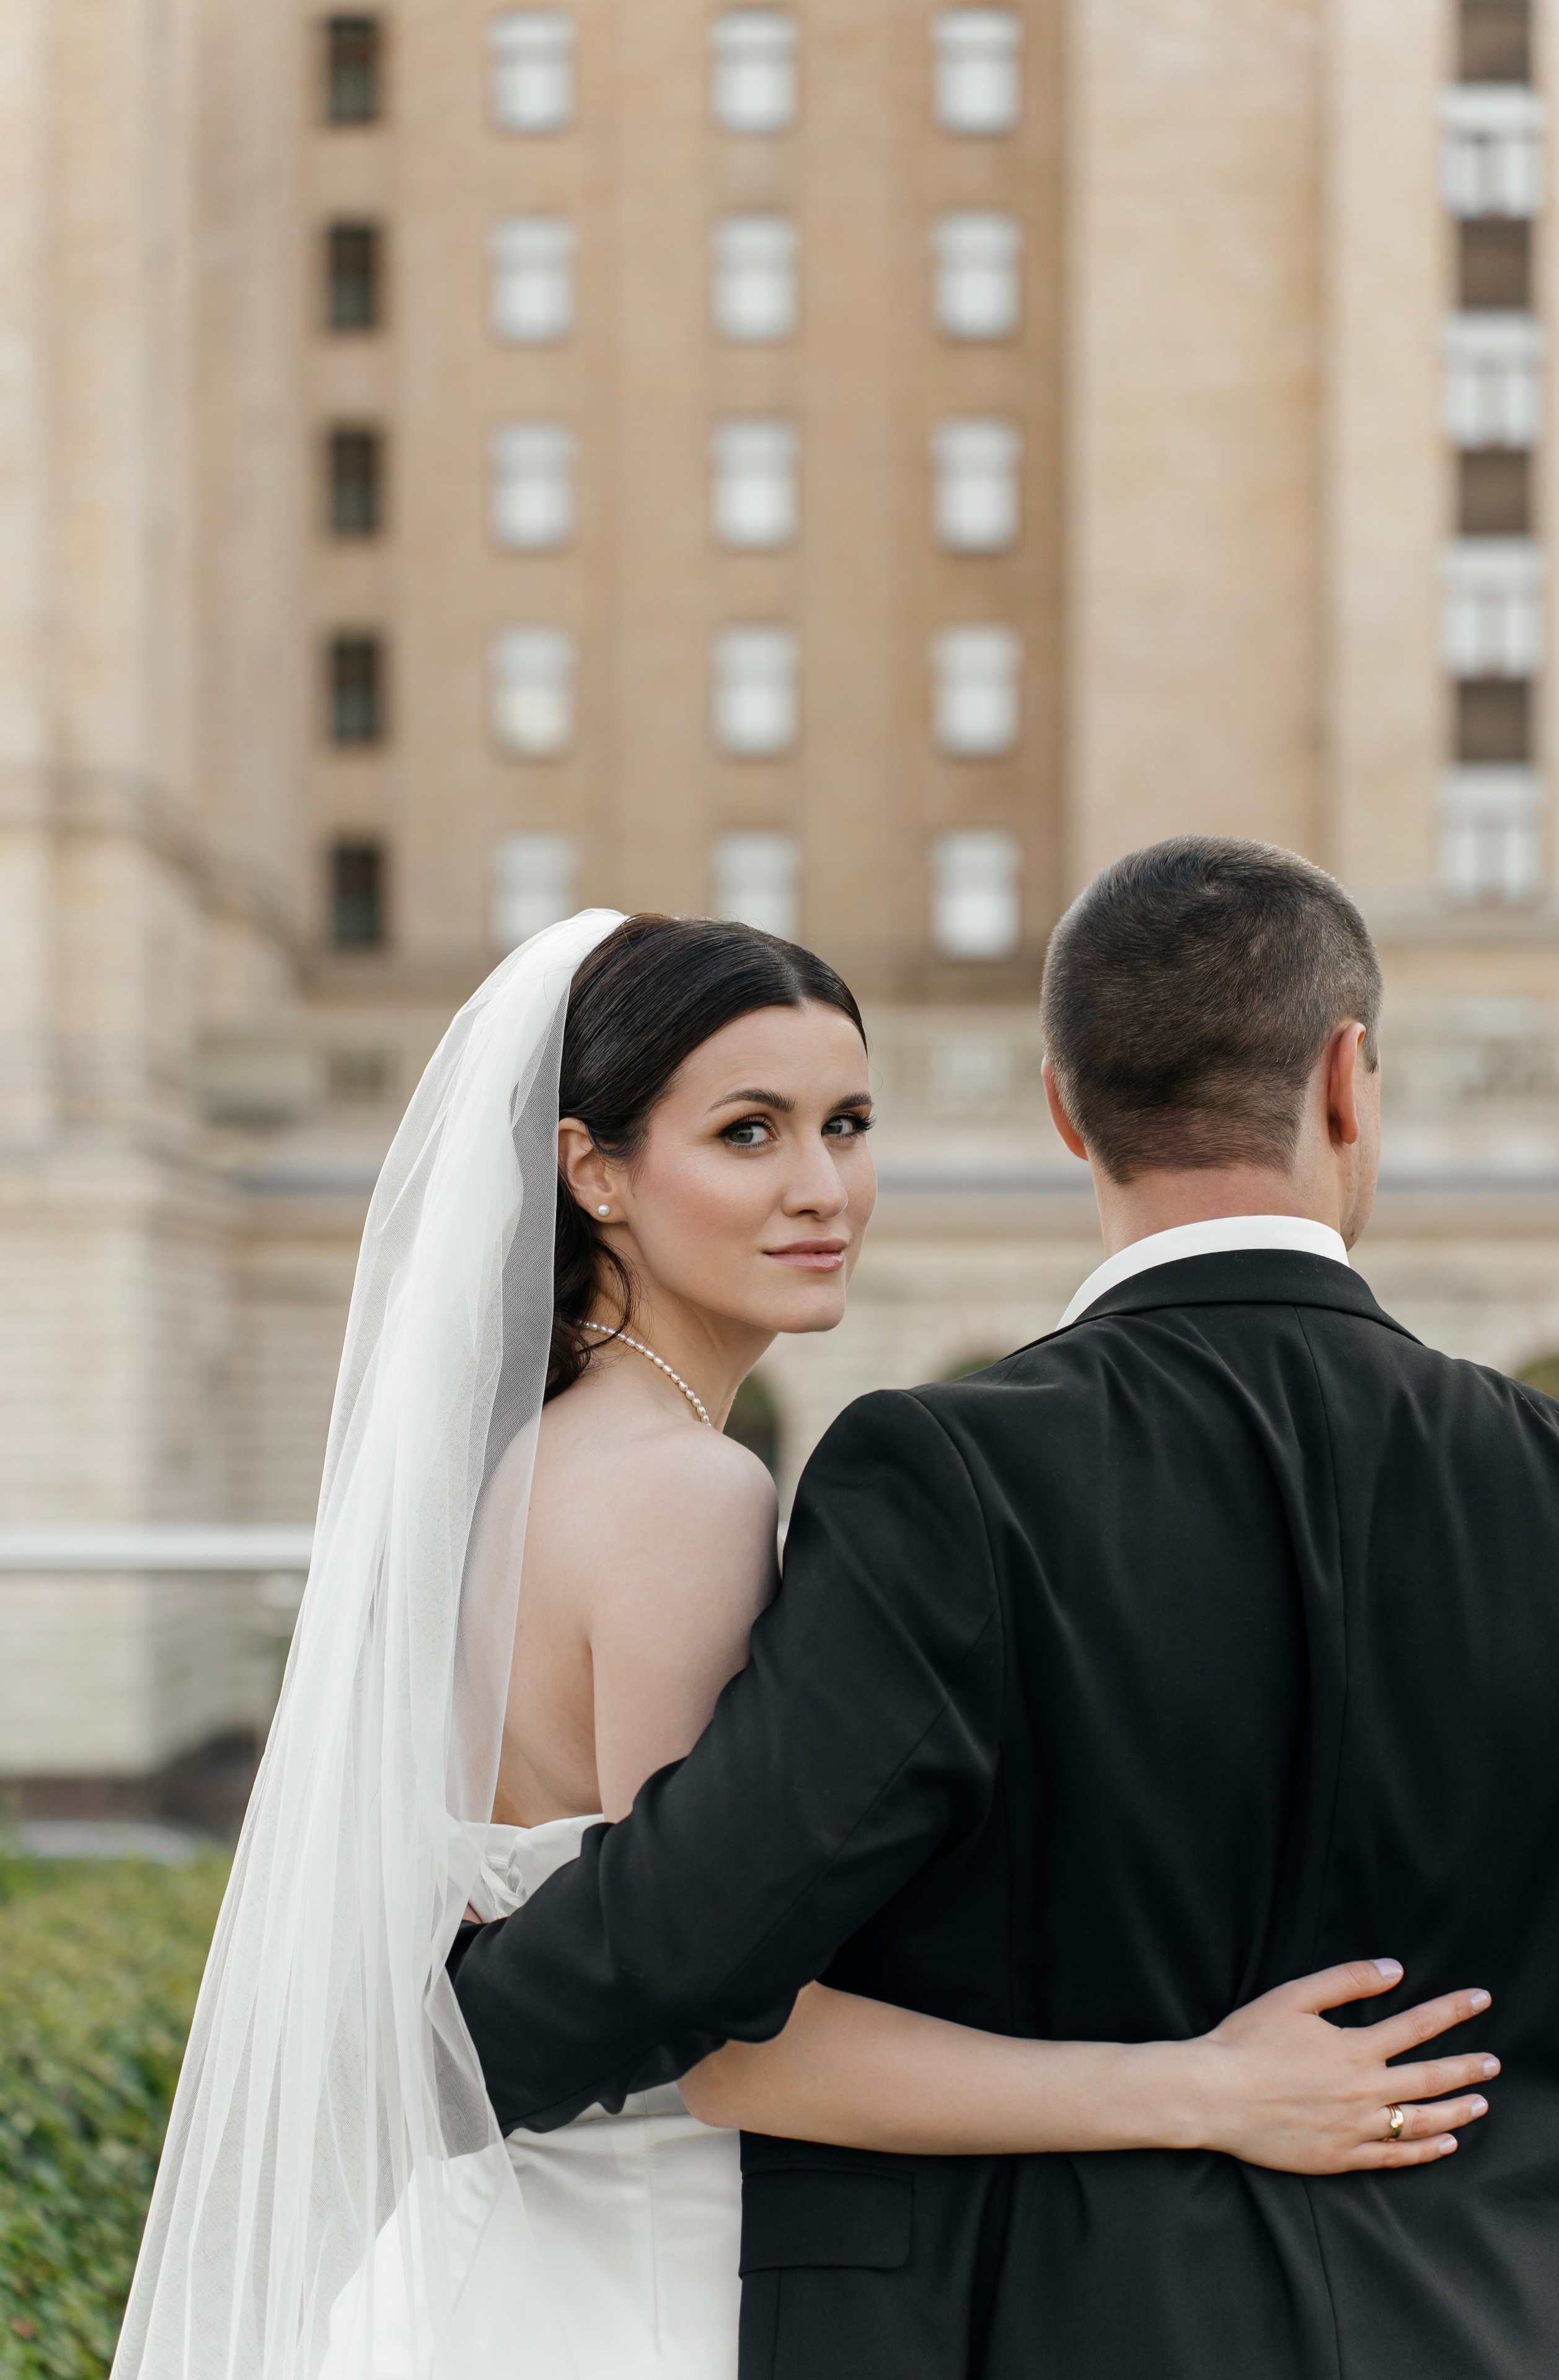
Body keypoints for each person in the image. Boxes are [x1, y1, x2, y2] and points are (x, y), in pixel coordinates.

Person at [115, 905, 1485, 2380]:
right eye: (748, 1135)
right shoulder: (684, 1493)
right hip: (653, 2286)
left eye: (846, 1123)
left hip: (496, 2257)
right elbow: (730, 2043)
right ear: (594, 1170)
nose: (823, 1188)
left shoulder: (516, 1471)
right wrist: (1205, 2087)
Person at [451, 848, 1559, 2380]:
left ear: (1062, 1108)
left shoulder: (944, 1475)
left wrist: (430, 2024)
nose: (819, 1181)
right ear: (1348, 1080)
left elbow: (688, 1939)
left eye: (843, 1126)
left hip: (1059, 2318)